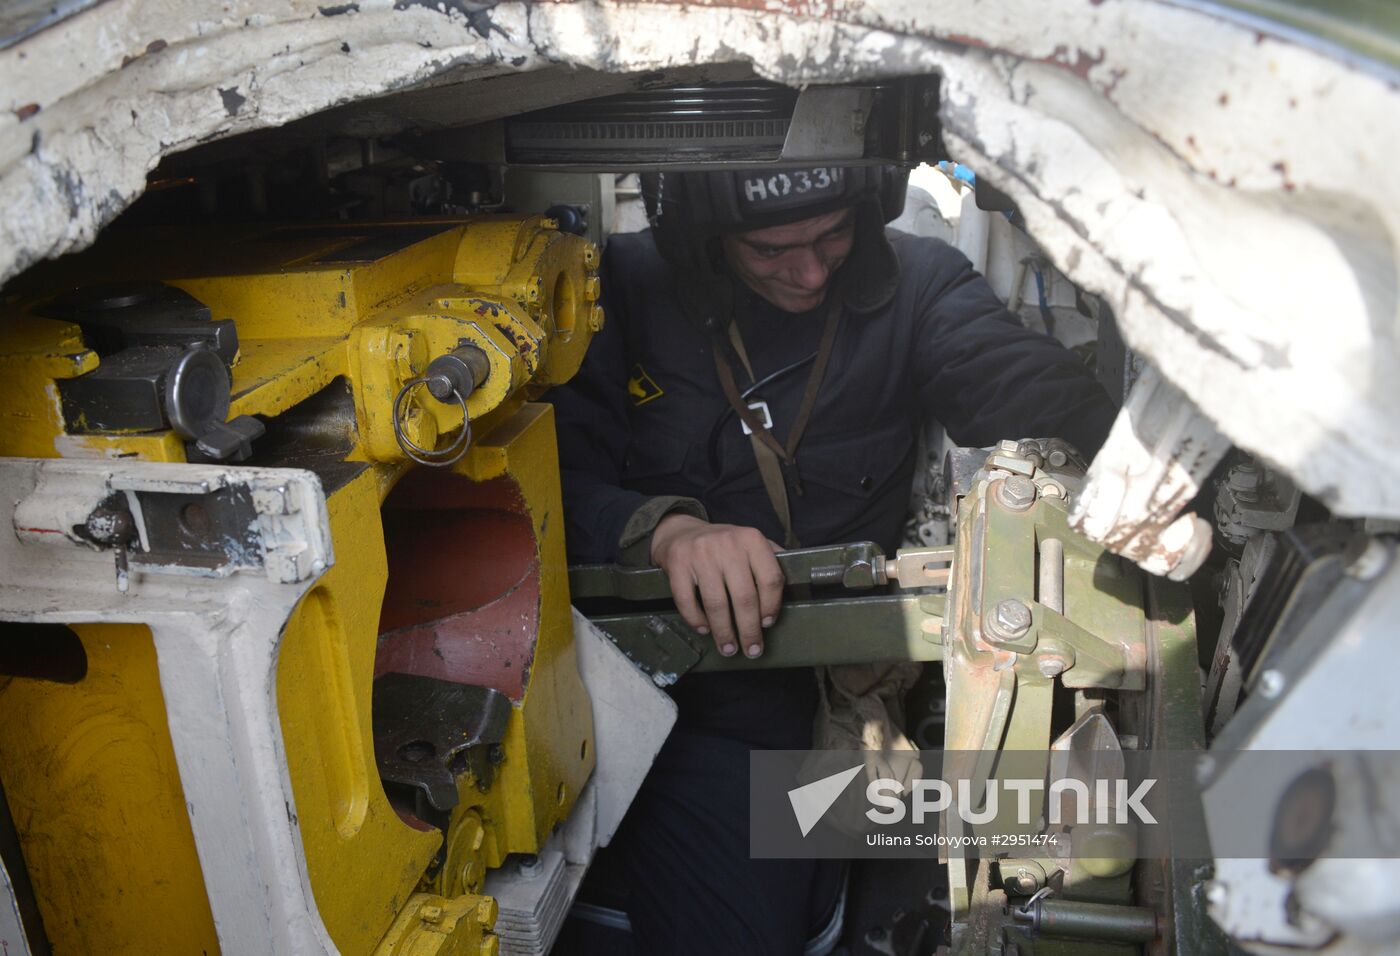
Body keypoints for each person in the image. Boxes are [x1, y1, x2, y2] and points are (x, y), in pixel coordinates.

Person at [549, 164, 1117, 954]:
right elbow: (542, 484)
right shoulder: (617, 290)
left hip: (850, 686)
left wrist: (1138, 451)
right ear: (706, 239)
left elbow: (1023, 385)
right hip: (693, 710)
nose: (813, 272)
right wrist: (664, 531)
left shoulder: (916, 280)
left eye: (834, 236)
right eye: (771, 248)